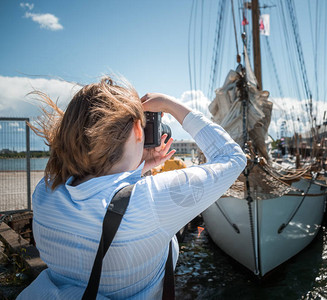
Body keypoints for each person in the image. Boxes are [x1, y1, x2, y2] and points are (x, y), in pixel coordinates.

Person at [18, 77, 246, 299]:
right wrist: (170, 104)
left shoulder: (46, 191)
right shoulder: (151, 199)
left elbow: (102, 185)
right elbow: (233, 157)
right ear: (139, 130)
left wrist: (140, 165)